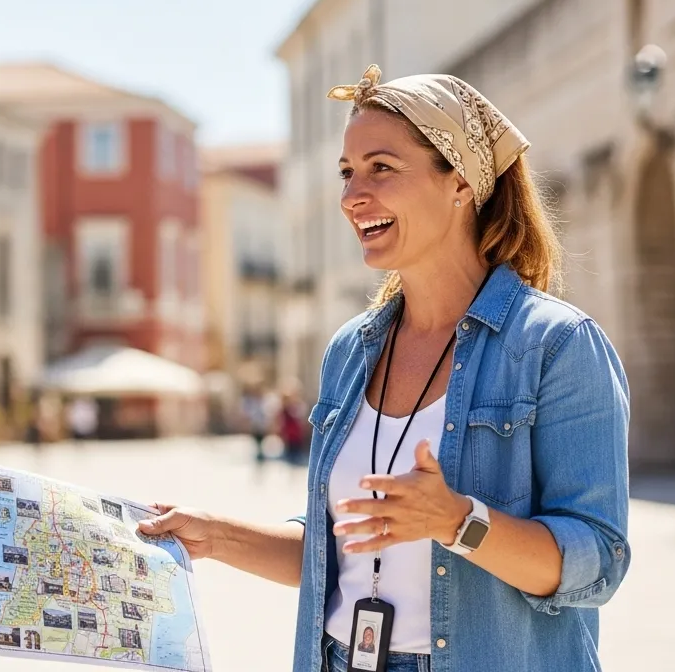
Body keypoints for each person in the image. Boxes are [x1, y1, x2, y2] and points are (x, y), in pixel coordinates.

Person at [139, 65, 630, 672]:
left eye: (381, 168)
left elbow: (598, 562)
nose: (351, 196)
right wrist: (215, 536)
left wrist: (458, 522)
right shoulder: (351, 351)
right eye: (347, 173)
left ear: (459, 183)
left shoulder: (556, 345)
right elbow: (338, 551)